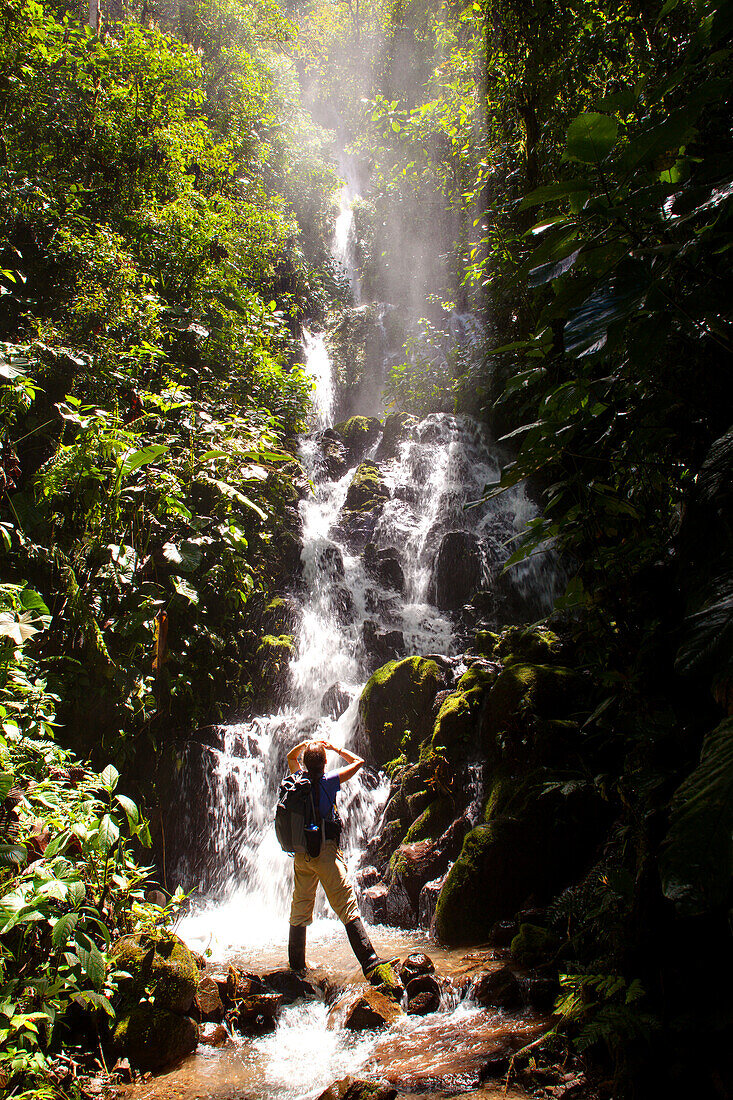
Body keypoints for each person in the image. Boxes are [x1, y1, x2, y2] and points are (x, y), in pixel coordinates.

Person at [285, 737, 395, 977]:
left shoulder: (297, 779)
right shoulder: (329, 780)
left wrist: (305, 744)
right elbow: (358, 761)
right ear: (325, 763)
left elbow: (290, 757)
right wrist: (335, 748)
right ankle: (371, 962)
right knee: (346, 904)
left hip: (301, 854)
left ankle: (296, 968)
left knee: (300, 906)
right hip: (325, 852)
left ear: (304, 763)